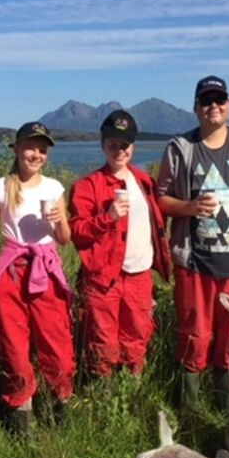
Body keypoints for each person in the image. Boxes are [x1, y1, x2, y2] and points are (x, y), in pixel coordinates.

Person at [156, 76, 229, 411]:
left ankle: (227, 409)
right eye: (206, 101)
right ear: (196, 108)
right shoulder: (180, 148)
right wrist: (189, 207)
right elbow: (161, 200)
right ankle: (190, 408)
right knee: (195, 335)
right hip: (195, 263)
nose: (213, 107)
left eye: (219, 100)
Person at [0, 121, 75, 433]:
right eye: (31, 147)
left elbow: (64, 239)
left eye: (42, 149)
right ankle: (23, 426)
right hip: (12, 274)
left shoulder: (54, 188)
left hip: (45, 271)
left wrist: (60, 222)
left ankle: (59, 411)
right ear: (17, 148)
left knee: (58, 349)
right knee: (15, 352)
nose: (36, 154)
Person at [69, 110, 172, 378]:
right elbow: (77, 232)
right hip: (104, 278)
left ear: (133, 146)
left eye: (124, 144)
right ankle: (104, 397)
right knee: (103, 341)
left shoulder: (144, 182)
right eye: (113, 144)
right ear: (103, 144)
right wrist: (108, 217)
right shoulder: (87, 186)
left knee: (137, 336)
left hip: (139, 274)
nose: (119, 150)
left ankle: (132, 392)